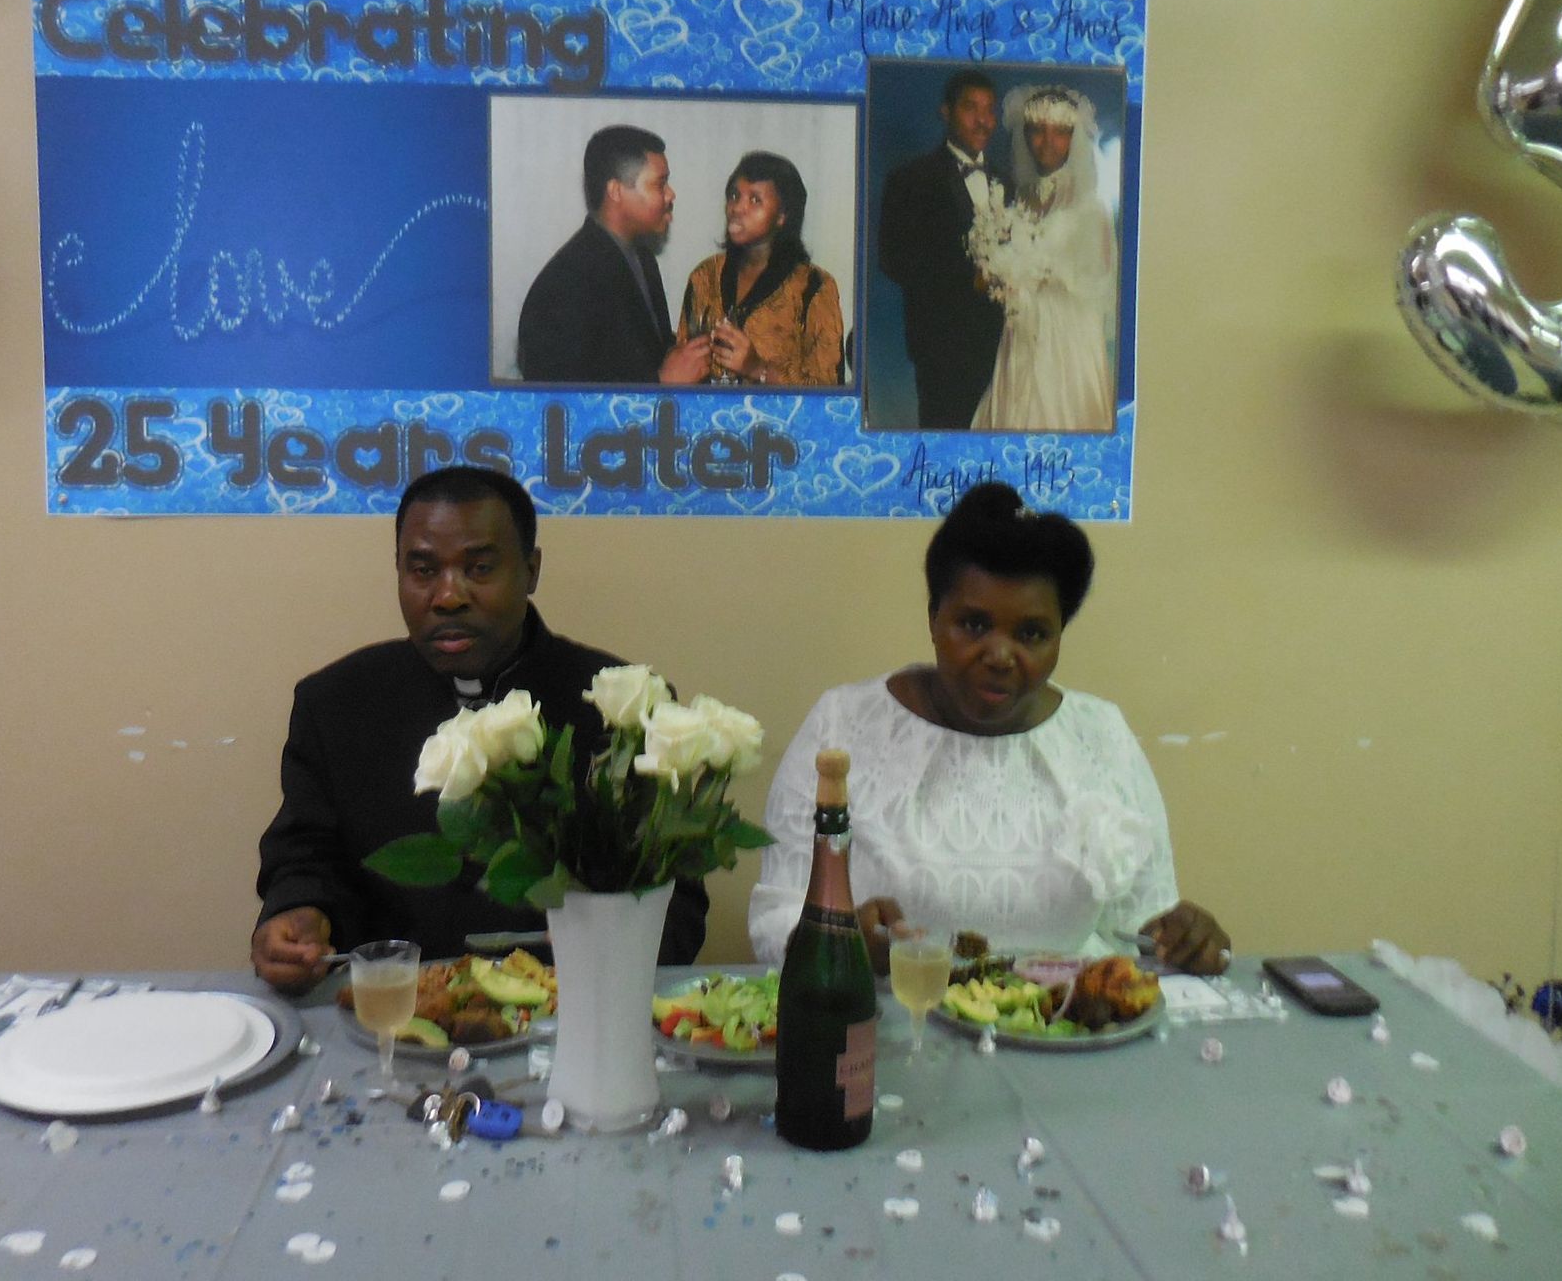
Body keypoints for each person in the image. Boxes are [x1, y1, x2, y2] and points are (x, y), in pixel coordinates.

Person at [252, 466, 709, 991]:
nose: (448, 596)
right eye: (423, 570)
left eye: (480, 568)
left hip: (573, 1007)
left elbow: (677, 900)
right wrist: (298, 915)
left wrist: (614, 947)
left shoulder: (624, 706)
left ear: (531, 571)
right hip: (390, 1011)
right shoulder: (336, 704)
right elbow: (306, 859)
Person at [747, 482, 1228, 975]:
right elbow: (775, 918)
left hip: (1068, 1016)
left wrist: (1184, 940)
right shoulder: (844, 726)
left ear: (1059, 637)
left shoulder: (1100, 737)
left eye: (1031, 634)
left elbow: (1143, 928)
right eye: (974, 625)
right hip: (894, 1013)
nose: (999, 656)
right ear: (934, 619)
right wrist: (838, 944)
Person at [968, 85, 1117, 432]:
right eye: (1037, 131)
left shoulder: (1090, 204)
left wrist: (1039, 271)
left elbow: (1101, 277)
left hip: (1067, 336)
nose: (1047, 142)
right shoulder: (1022, 198)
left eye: (1060, 132)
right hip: (1021, 328)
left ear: (1073, 138)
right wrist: (999, 272)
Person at [517, 125, 712, 386]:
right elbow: (562, 398)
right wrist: (663, 381)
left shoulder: (643, 259)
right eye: (660, 183)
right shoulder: (564, 285)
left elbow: (641, 352)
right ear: (616, 191)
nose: (670, 194)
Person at [878, 69, 1011, 429]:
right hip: (941, 346)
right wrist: (968, 279)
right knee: (945, 442)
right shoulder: (910, 179)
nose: (982, 120)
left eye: (989, 110)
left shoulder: (1007, 182)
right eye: (971, 108)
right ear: (946, 112)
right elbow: (893, 259)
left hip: (1005, 346)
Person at [675, 151, 845, 387]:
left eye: (755, 200)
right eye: (734, 196)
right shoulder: (705, 276)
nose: (737, 208)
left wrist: (757, 368)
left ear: (782, 216)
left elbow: (830, 389)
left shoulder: (814, 287)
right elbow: (681, 365)